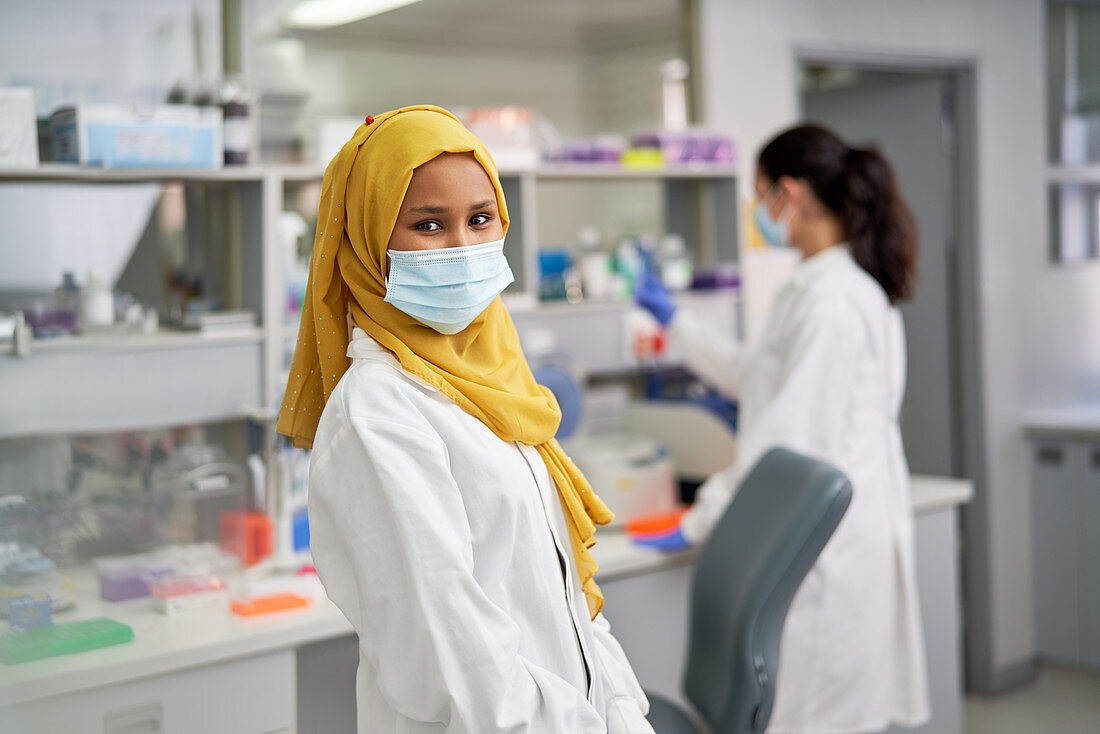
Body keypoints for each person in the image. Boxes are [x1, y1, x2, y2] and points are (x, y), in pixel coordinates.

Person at [278, 105, 653, 734]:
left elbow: (570, 604)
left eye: (481, 219)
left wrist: (621, 711)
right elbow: (453, 670)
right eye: (429, 224)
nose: (464, 247)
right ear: (368, 243)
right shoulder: (376, 413)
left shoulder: (497, 386)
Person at [633, 124, 930, 733]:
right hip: (832, 535)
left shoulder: (834, 301)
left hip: (830, 551)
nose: (756, 212)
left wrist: (700, 517)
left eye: (758, 195)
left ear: (788, 194)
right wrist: (676, 321)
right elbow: (757, 377)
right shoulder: (816, 287)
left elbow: (786, 444)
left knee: (815, 712)